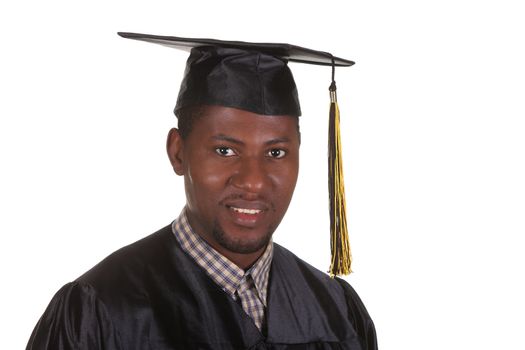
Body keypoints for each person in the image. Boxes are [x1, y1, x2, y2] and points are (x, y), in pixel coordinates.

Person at [26, 33, 377, 350]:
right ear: (178, 152)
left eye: (276, 153)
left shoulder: (337, 311)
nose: (253, 181)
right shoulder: (100, 310)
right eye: (225, 150)